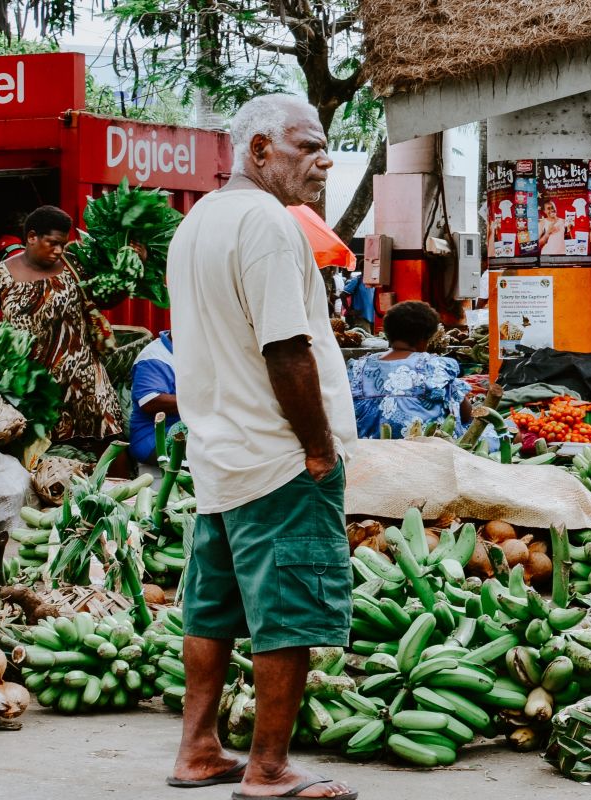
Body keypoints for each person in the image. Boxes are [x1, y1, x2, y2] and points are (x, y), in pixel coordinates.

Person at [166, 94, 358, 800]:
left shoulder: (199, 222)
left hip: (219, 451)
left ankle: (198, 750)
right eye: (307, 147)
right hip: (277, 455)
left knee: (212, 609)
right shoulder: (268, 224)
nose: (324, 160)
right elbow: (286, 347)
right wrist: (318, 448)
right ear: (258, 151)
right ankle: (269, 768)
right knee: (290, 611)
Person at [0, 205, 123, 444]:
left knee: (108, 434)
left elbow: (105, 299)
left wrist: (130, 271)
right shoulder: (0, 274)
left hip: (83, 376)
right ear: (32, 237)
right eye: (52, 243)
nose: (59, 250)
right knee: (40, 444)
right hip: (32, 380)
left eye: (62, 244)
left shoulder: (74, 266)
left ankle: (114, 481)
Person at [347, 301, 473, 438]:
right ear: (424, 339)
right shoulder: (435, 367)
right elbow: (466, 415)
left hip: (370, 451)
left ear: (388, 333)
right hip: (425, 453)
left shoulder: (359, 367)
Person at [130, 330, 178, 466]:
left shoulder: (196, 351)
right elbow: (150, 401)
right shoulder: (154, 357)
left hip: (191, 430)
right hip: (154, 440)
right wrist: (205, 401)